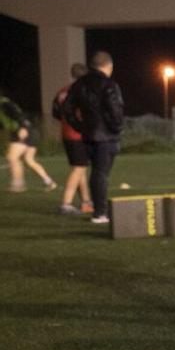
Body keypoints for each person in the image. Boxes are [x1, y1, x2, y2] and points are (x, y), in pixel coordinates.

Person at [63, 51, 124, 224]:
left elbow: (67, 110)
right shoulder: (109, 84)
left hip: (88, 135)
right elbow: (115, 110)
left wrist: (80, 127)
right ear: (109, 66)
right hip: (106, 137)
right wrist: (117, 128)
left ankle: (99, 209)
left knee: (96, 173)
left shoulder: (79, 84)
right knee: (101, 174)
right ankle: (100, 213)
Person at [52, 63, 93, 214]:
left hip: (66, 133)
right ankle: (66, 204)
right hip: (78, 133)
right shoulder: (82, 90)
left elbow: (55, 112)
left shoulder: (63, 91)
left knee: (79, 167)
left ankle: (86, 202)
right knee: (79, 168)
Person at [2, 90, 56, 193]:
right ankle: (49, 182)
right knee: (29, 160)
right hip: (31, 131)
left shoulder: (4, 104)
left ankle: (17, 185)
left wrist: (23, 127)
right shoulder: (5, 103)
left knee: (12, 157)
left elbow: (18, 114)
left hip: (22, 131)